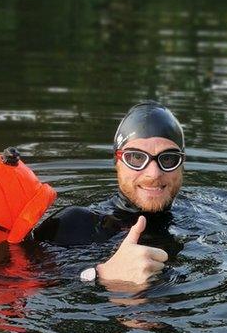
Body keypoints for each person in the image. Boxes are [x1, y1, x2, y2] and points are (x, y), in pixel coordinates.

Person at [30, 100, 185, 288]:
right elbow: (12, 284)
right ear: (116, 162)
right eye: (136, 157)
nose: (153, 173)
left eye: (168, 159)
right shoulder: (72, 224)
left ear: (182, 165)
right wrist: (101, 275)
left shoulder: (208, 215)